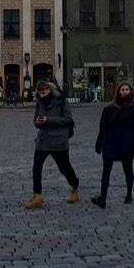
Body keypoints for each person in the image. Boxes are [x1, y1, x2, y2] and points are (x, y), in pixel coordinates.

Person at [25, 79, 80, 207]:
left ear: (49, 90)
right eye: (40, 93)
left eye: (44, 92)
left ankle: (75, 186)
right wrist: (37, 121)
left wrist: (48, 120)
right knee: (36, 167)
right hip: (43, 140)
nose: (42, 95)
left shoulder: (61, 101)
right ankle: (37, 195)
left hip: (58, 140)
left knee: (64, 167)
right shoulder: (39, 102)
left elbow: (67, 119)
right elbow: (35, 120)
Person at [94, 85, 134, 206]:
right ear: (118, 92)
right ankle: (103, 198)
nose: (125, 92)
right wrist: (99, 143)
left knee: (128, 169)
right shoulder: (109, 109)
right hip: (111, 142)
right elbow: (103, 128)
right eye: (123, 90)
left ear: (131, 91)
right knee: (106, 171)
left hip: (127, 143)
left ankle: (129, 195)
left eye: (127, 90)